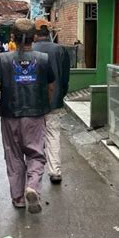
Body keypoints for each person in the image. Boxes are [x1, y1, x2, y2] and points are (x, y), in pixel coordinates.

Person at [0, 18, 55, 213]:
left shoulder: (4, 59)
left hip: (10, 114)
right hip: (36, 113)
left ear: (13, 37)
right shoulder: (43, 59)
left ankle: (18, 198)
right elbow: (50, 86)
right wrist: (46, 103)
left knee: (14, 155)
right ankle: (32, 186)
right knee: (36, 153)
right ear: (33, 37)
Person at [33, 20, 70, 184]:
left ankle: (35, 171)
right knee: (53, 134)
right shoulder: (60, 50)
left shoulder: (29, 50)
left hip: (33, 103)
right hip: (54, 102)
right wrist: (60, 95)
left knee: (34, 137)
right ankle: (55, 171)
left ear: (34, 34)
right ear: (49, 32)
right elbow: (65, 77)